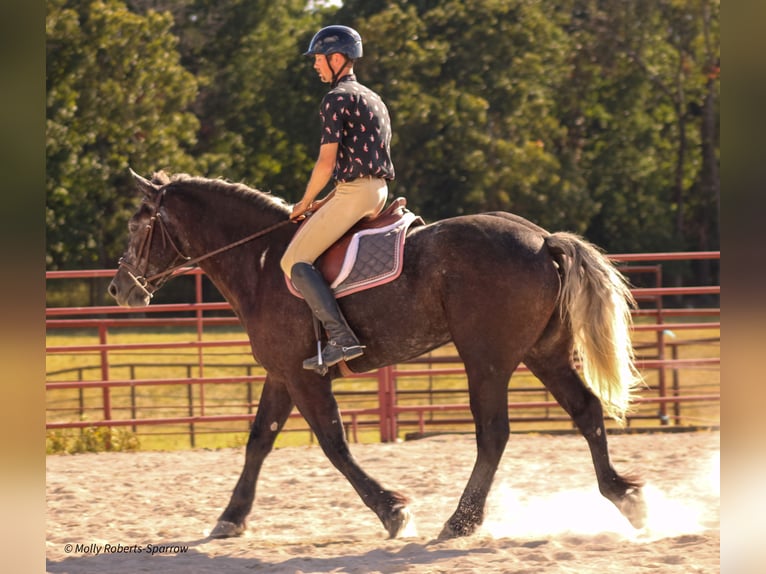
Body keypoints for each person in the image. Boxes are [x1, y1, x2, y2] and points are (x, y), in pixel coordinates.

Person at [280, 25, 395, 372]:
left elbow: (327, 162)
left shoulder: (335, 99)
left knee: (294, 260)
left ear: (337, 58)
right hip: (376, 190)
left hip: (356, 192)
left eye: (318, 58)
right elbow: (360, 160)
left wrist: (303, 202)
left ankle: (341, 337)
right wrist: (323, 203)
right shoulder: (372, 97)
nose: (316, 65)